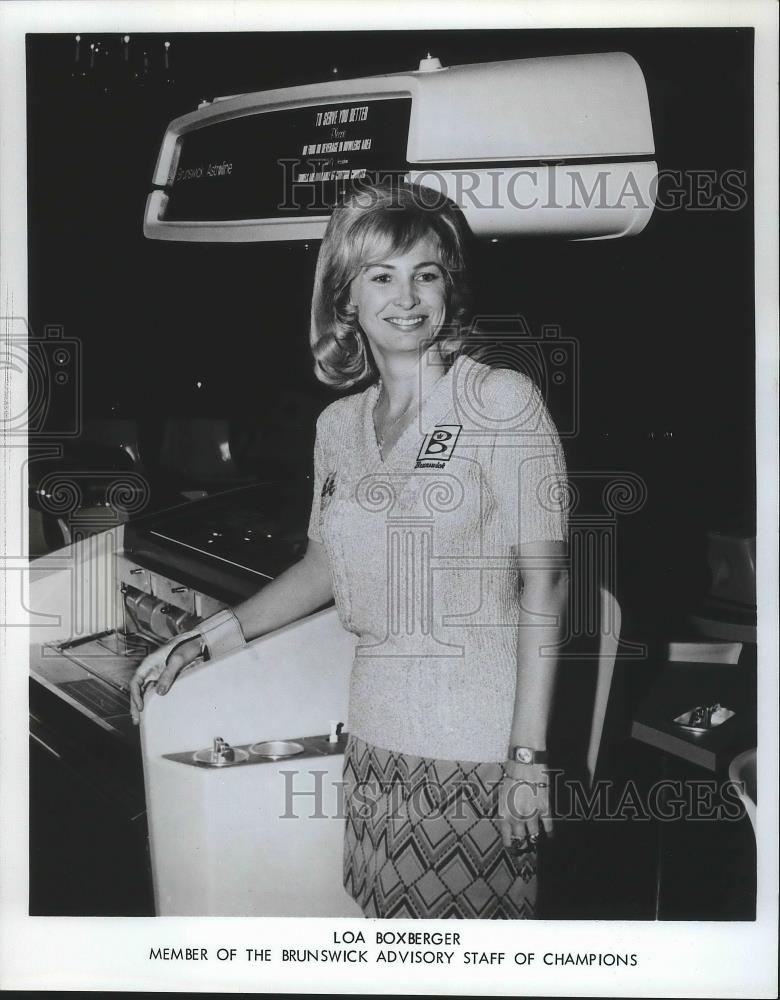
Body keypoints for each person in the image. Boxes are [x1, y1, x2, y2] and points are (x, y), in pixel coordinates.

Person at [130, 180, 569, 920]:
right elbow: (322, 566)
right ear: (346, 298)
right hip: (373, 739)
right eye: (382, 275)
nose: (408, 296)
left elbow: (546, 586)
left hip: (478, 748)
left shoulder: (499, 401)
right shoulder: (339, 425)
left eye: (426, 273)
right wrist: (206, 641)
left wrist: (527, 757)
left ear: (449, 288)